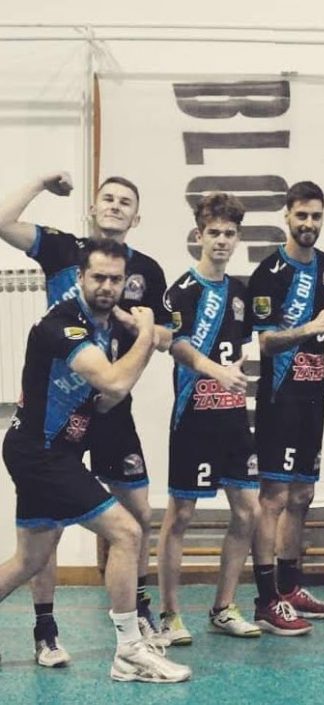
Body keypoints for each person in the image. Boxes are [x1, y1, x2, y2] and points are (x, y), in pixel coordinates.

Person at [0, 172, 171, 665]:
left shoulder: (120, 299)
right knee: (125, 532)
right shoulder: (64, 320)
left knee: (29, 558)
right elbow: (114, 381)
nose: (108, 286)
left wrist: (142, 331)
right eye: (98, 278)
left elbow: (124, 382)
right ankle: (127, 650)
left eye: (115, 280)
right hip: (45, 447)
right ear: (79, 276)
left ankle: (137, 618)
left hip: (72, 430)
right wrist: (143, 334)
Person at [157, 192, 263, 643]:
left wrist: (239, 367)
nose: (221, 240)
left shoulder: (239, 292)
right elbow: (177, 345)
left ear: (237, 238)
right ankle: (169, 614)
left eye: (229, 233)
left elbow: (245, 345)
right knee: (181, 514)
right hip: (193, 419)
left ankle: (223, 607)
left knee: (249, 510)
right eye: (214, 232)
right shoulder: (180, 291)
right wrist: (216, 371)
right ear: (199, 235)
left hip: (233, 421)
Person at [248, 181, 324, 635]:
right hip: (279, 397)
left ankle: (289, 587)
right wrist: (309, 328)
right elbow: (266, 342)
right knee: (274, 498)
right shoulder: (269, 273)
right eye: (301, 215)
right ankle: (265, 599)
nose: (308, 223)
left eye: (315, 216)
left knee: (303, 496)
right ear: (286, 216)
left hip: (313, 395)